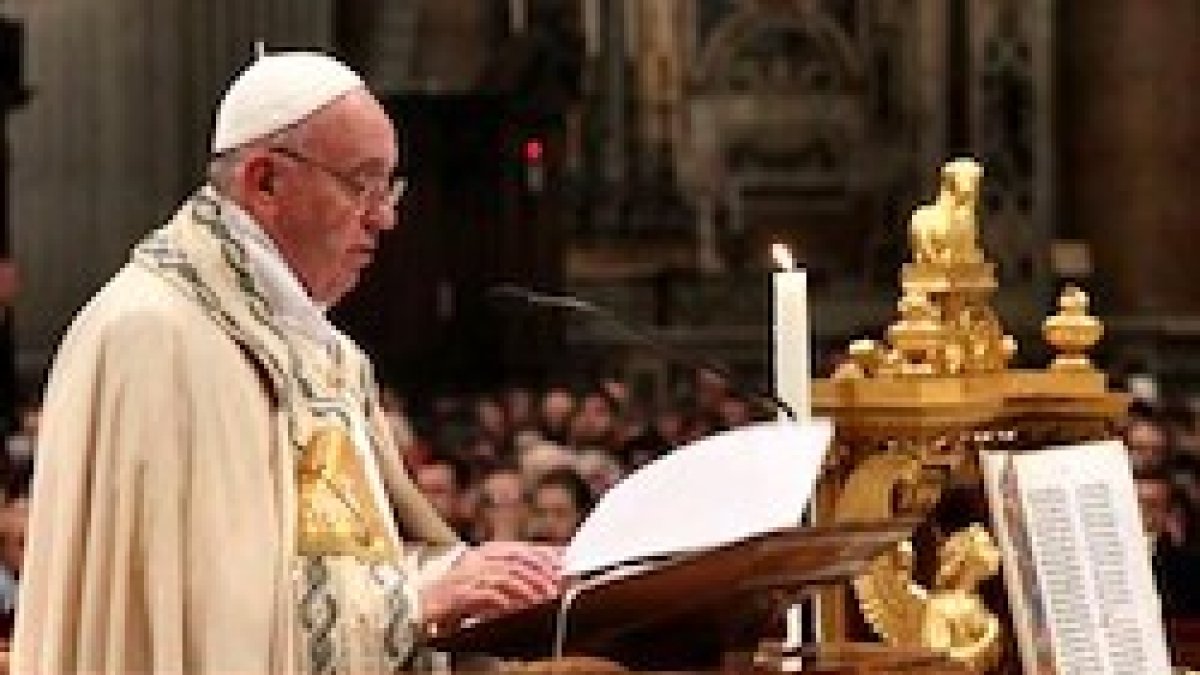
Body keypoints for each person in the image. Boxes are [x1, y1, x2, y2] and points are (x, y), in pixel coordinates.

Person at [13, 52, 559, 673]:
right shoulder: (152, 335)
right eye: (362, 184)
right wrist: (415, 606)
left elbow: (355, 560)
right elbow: (201, 623)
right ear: (266, 182)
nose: (385, 217)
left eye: (390, 187)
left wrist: (466, 577)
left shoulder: (322, 353)